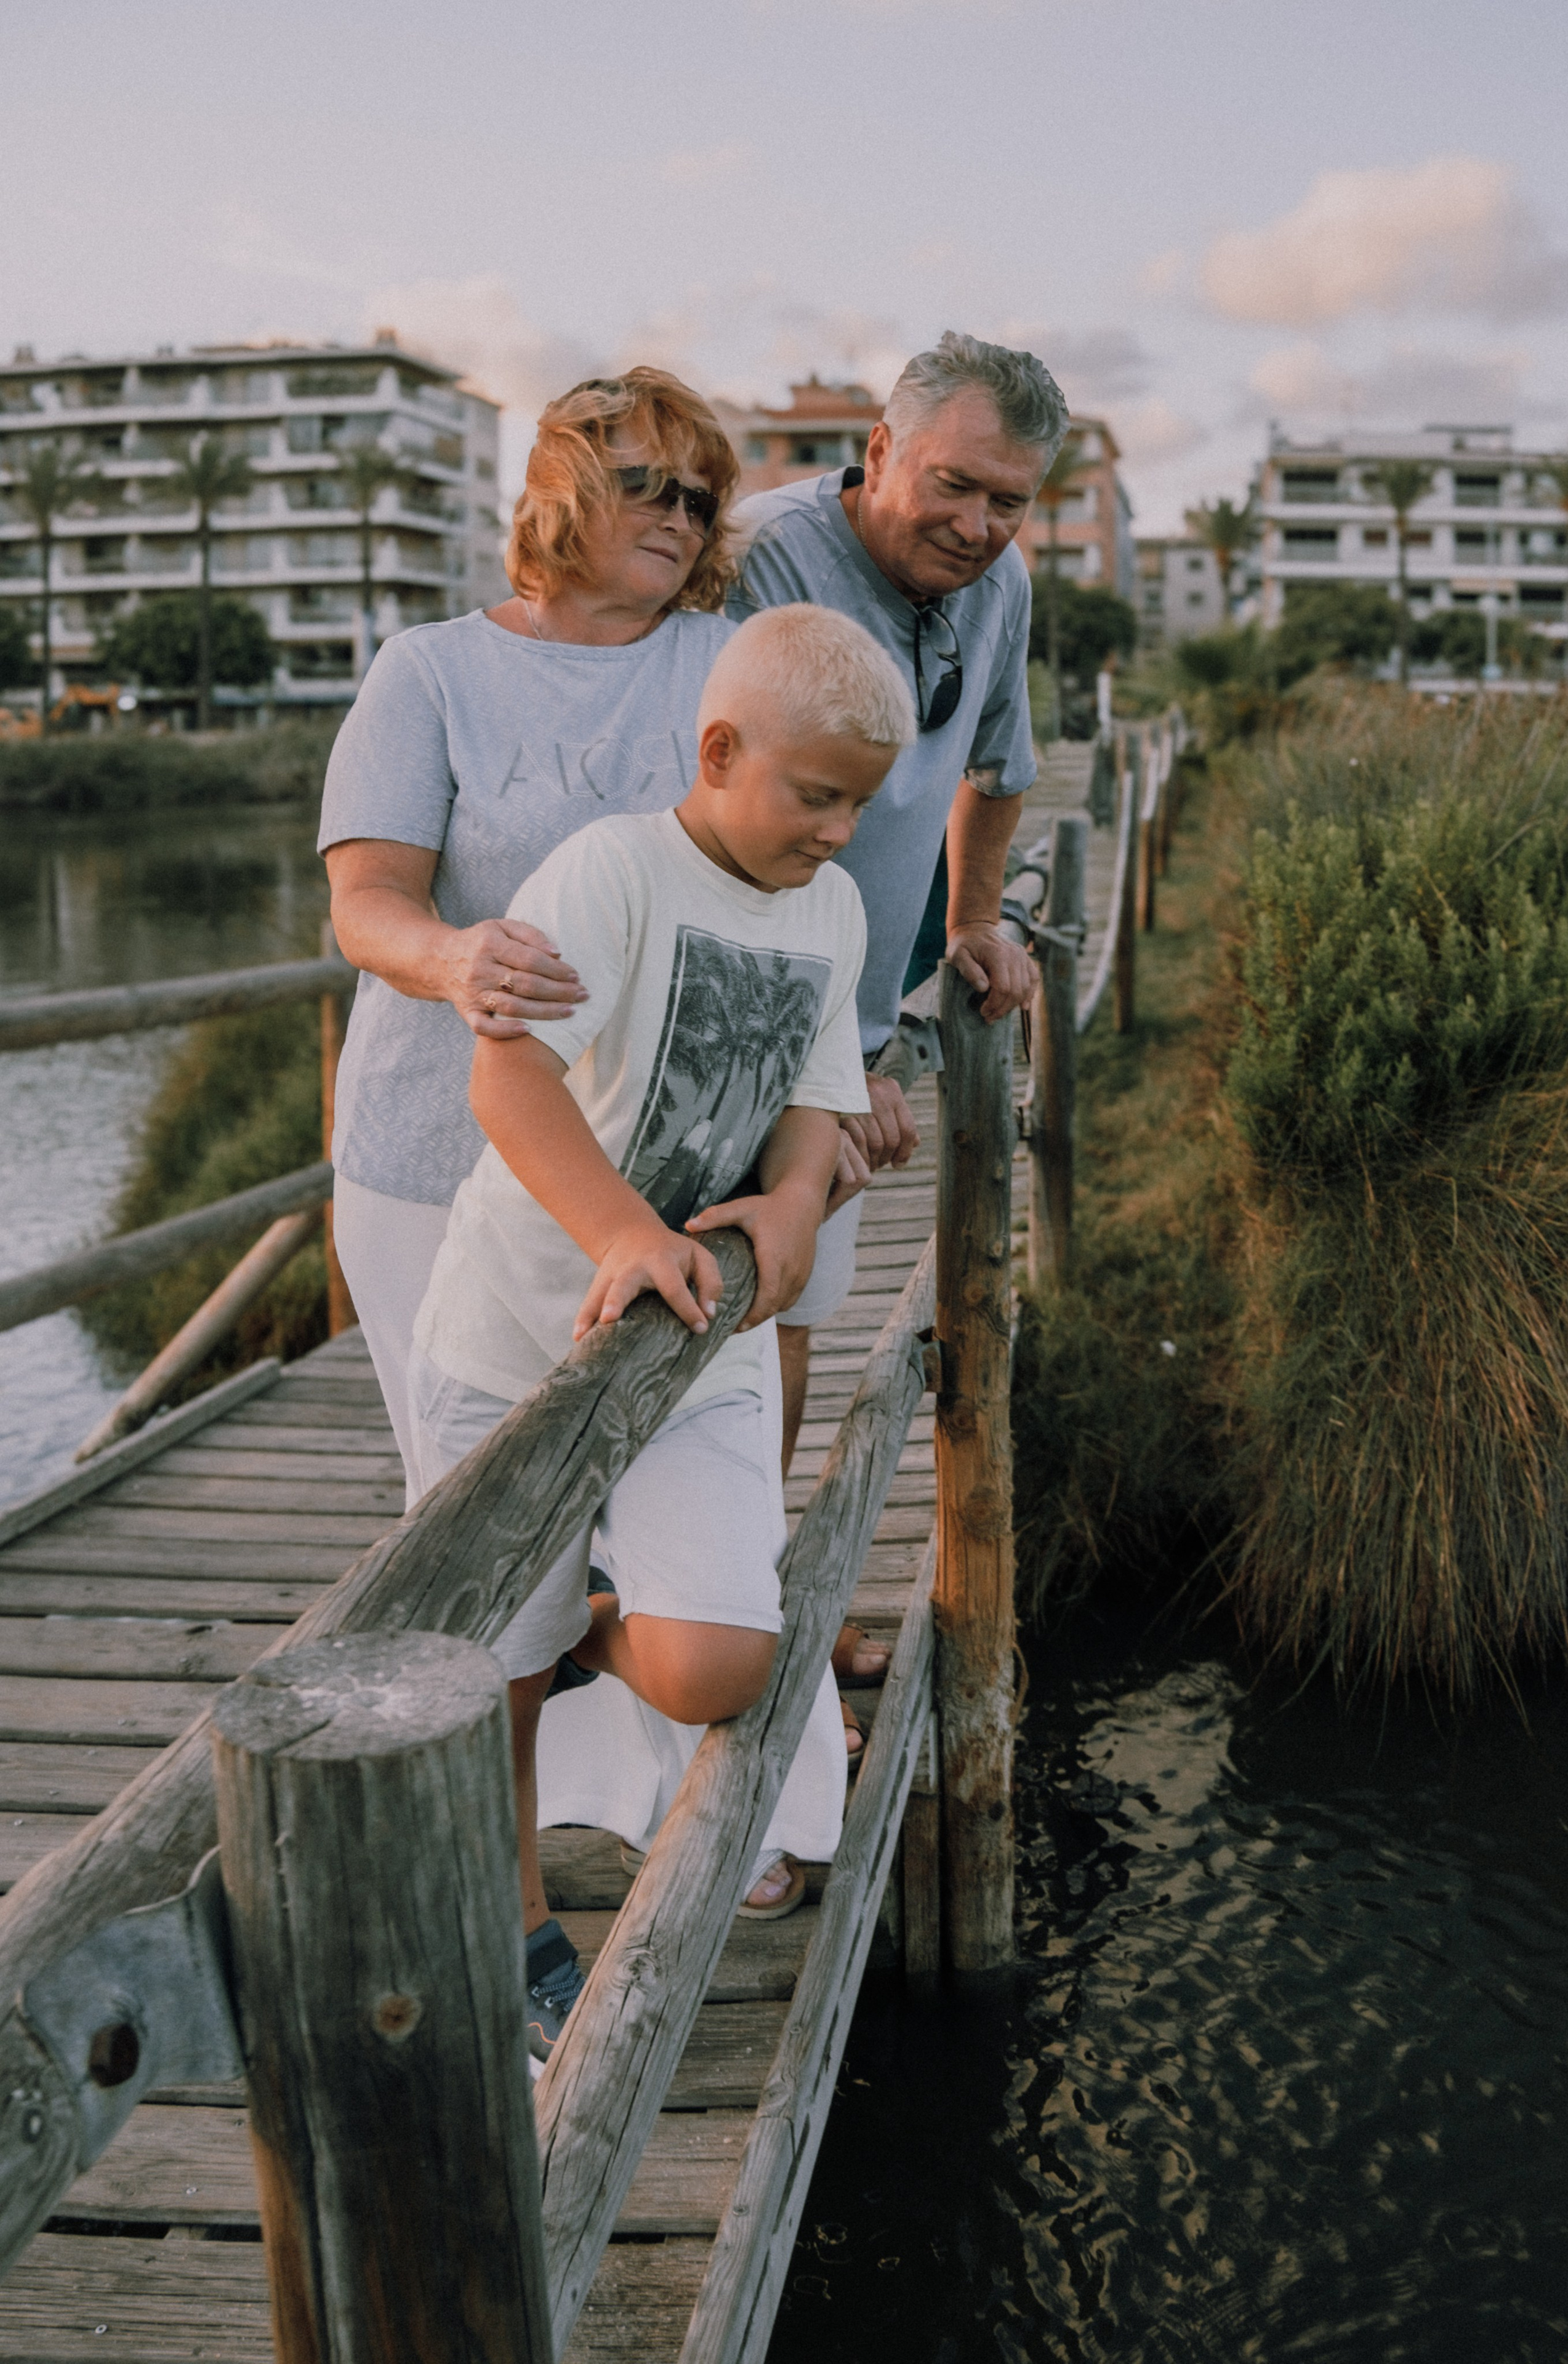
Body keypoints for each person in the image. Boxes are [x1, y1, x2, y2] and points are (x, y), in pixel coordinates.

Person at [320, 368, 851, 1904]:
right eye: (646, 488)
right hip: (440, 1158)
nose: (682, 522)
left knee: (670, 1522)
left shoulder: (721, 665)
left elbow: (819, 846)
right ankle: (508, 1902)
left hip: (673, 1178)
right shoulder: (427, 671)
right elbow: (366, 899)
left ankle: (698, 1794)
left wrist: (841, 1074)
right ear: (558, 491)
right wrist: (450, 958)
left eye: (701, 497)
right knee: (485, 1551)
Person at [404, 603, 915, 2059]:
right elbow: (509, 1084)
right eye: (814, 793)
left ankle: (589, 1636)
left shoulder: (829, 907)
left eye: (860, 803)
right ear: (717, 749)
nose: (836, 829)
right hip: (519, 1337)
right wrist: (621, 1226)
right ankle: (511, 1928)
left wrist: (799, 1199)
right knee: (484, 1677)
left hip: (697, 1346)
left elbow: (817, 1094)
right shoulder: (614, 871)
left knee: (718, 1665)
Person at [726, 332, 1068, 1479]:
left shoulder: (1000, 583)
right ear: (882, 450)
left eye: (1008, 501)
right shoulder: (766, 558)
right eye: (954, 484)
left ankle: (752, 1615)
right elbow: (724, 841)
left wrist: (973, 923)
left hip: (858, 1036)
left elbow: (999, 769)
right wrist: (824, 1069)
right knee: (694, 1330)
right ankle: (618, 1639)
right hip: (732, 1037)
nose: (978, 526)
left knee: (784, 1329)